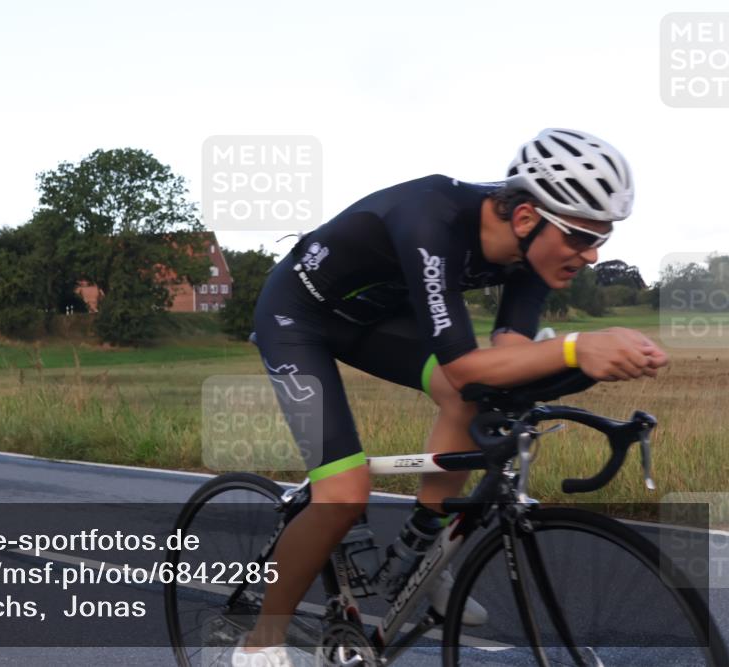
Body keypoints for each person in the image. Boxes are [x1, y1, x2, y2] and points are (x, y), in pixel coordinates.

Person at [233, 128, 669, 666]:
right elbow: (463, 367)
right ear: (528, 218)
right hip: (297, 315)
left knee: (477, 399)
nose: (594, 254)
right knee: (344, 493)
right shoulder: (432, 216)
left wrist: (585, 370)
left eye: (602, 237)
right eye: (582, 236)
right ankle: (260, 643)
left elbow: (504, 365)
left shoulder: (531, 255)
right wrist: (578, 349)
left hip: (371, 318)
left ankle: (419, 557)